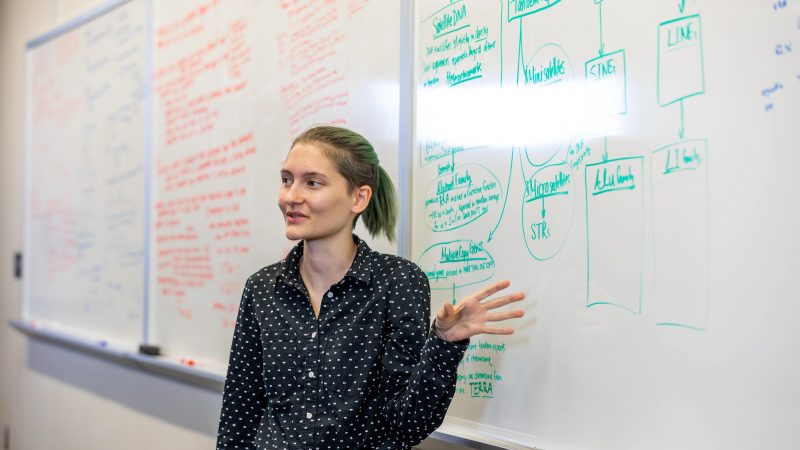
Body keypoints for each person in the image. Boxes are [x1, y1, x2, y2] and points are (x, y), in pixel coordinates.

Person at [216, 126, 524, 450]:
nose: (291, 196)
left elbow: (406, 425)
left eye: (312, 182)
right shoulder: (263, 288)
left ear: (359, 197)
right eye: (286, 179)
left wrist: (445, 344)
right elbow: (239, 415)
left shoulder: (397, 282)